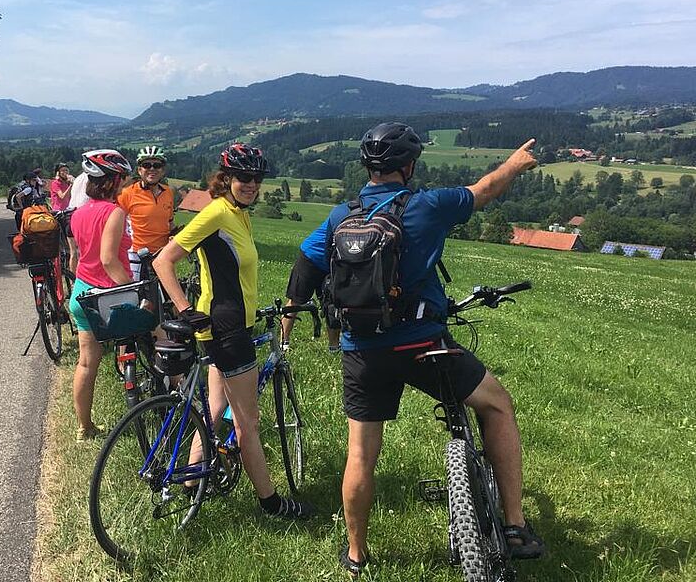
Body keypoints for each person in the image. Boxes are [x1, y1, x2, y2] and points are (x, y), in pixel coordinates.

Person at [298, 123, 545, 575]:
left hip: (362, 351)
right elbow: (485, 190)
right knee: (497, 405)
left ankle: (355, 555)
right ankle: (514, 525)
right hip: (422, 344)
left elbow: (308, 262)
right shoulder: (428, 205)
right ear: (409, 166)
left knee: (360, 455)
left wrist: (297, 315)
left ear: (367, 167)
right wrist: (515, 163)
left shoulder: (339, 217)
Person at [153, 143, 315, 520]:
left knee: (215, 407)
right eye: (243, 177)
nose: (251, 184)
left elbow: (233, 272)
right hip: (226, 329)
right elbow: (164, 260)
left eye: (256, 178)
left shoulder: (237, 213)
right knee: (248, 423)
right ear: (226, 178)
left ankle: (191, 484)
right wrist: (185, 308)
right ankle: (271, 503)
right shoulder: (216, 213)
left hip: (230, 323)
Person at [67, 150, 134, 441]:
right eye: (122, 178)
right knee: (156, 330)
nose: (125, 183)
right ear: (110, 182)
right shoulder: (114, 213)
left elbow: (85, 253)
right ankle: (173, 394)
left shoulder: (78, 213)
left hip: (82, 292)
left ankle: (85, 428)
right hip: (107, 295)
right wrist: (132, 289)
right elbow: (108, 260)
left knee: (86, 363)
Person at [117, 145, 176, 281]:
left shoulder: (168, 192)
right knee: (138, 293)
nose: (152, 169)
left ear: (163, 170)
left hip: (163, 254)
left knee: (167, 293)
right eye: (146, 165)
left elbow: (170, 222)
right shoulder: (127, 194)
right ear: (139, 170)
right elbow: (115, 225)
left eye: (157, 165)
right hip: (137, 256)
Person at [280, 235, 342, 352]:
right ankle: (283, 343)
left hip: (330, 263)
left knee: (331, 304)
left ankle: (334, 346)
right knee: (296, 301)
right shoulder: (340, 221)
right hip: (311, 256)